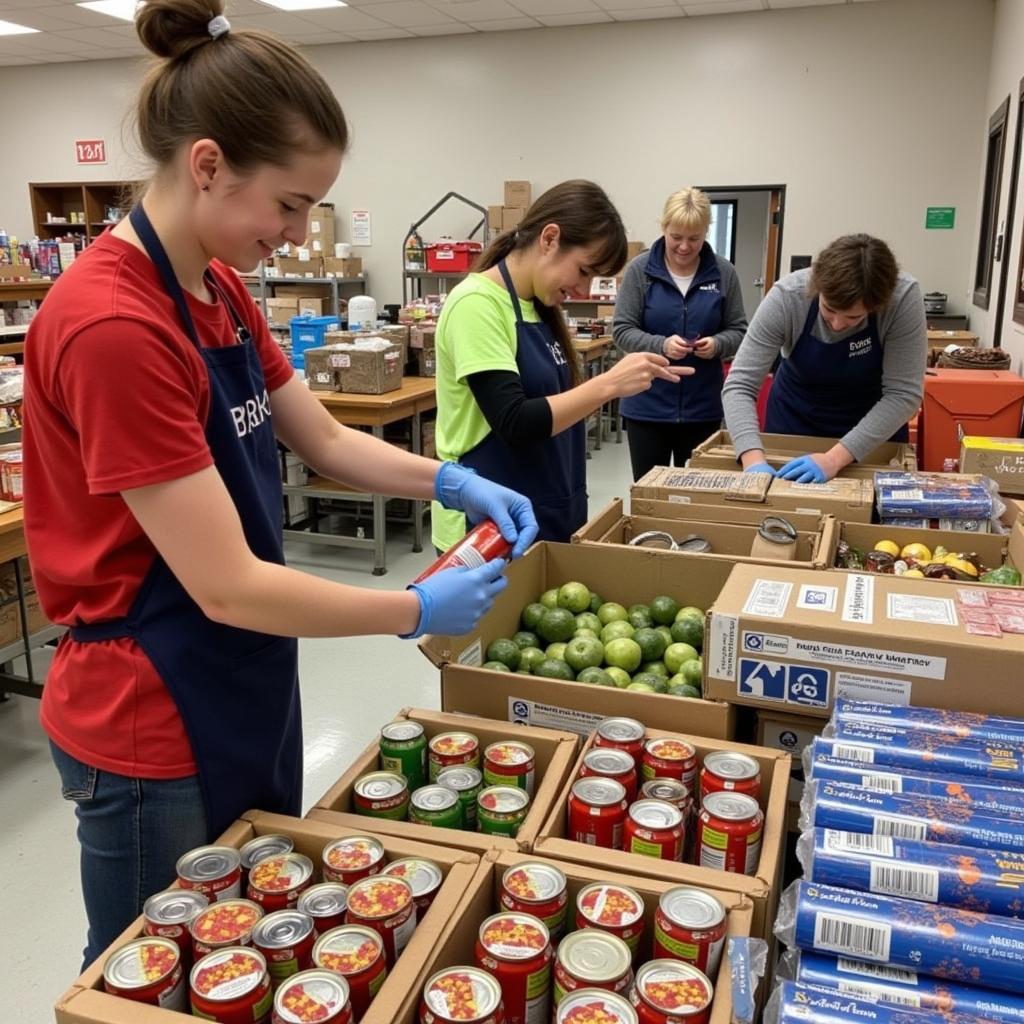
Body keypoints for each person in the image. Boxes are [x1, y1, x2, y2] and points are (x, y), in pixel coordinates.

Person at [23, 0, 537, 968]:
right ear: (208, 164)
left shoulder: (216, 289)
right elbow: (223, 582)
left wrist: (452, 476)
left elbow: (327, 441)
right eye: (291, 204)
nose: (301, 235)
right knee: (157, 966)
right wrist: (410, 605)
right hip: (152, 704)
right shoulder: (116, 327)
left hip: (242, 669)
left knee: (253, 944)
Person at [432, 180, 691, 549]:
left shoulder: (537, 307)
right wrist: (610, 385)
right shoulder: (476, 304)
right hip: (486, 530)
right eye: (584, 271)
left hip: (546, 513)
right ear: (550, 238)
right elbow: (515, 422)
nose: (585, 291)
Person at [722, 233, 927, 482]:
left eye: (853, 318)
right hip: (794, 421)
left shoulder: (902, 299)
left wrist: (835, 458)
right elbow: (739, 385)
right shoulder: (788, 297)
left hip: (872, 429)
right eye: (829, 309)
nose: (838, 324)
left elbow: (903, 394)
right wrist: (752, 460)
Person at [613, 187, 748, 481]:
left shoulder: (724, 273)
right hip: (646, 408)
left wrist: (717, 344)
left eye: (694, 238)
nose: (684, 246)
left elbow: (739, 331)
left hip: (702, 410)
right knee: (650, 494)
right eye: (676, 237)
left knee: (697, 495)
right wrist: (660, 345)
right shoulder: (640, 271)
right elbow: (622, 330)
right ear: (663, 229)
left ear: (706, 233)